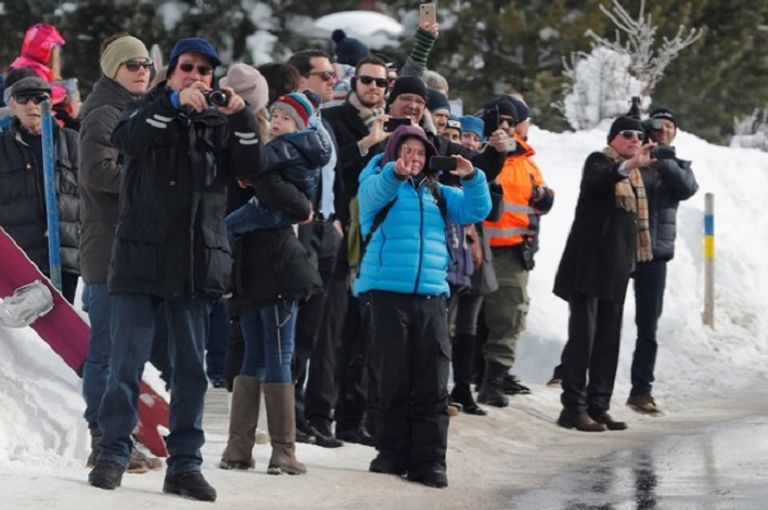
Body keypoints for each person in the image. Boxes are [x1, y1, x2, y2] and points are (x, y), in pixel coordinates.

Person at [87, 37, 259, 502]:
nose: (196, 77)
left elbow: (250, 166)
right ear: (172, 72)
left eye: (205, 71)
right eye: (188, 68)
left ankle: (185, 465)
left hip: (194, 263)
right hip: (139, 260)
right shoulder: (144, 109)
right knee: (125, 365)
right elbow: (130, 139)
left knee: (190, 372)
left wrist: (241, 115)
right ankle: (113, 455)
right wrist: (171, 103)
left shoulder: (220, 125)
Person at [356, 125, 491, 488]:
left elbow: (478, 209)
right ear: (394, 152)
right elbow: (369, 197)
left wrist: (473, 176)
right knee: (392, 377)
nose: (413, 159)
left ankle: (430, 462)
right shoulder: (377, 177)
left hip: (431, 294)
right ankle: (391, 453)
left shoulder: (438, 192)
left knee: (432, 380)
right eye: (406, 151)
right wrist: (393, 173)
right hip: (385, 293)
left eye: (419, 153)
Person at [219, 63, 323, 474]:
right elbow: (297, 207)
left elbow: (297, 204)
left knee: (259, 355)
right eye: (273, 116)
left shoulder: (280, 150)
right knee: (271, 354)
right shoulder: (260, 153)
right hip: (271, 267)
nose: (275, 122)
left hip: (254, 267)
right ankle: (280, 450)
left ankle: (242, 448)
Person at [78, 33, 161, 473]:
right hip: (107, 247)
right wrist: (147, 176)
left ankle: (119, 436)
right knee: (108, 350)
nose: (142, 70)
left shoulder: (133, 109)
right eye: (132, 64)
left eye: (146, 63)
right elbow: (96, 172)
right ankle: (102, 436)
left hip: (128, 246)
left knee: (126, 349)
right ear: (113, 69)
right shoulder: (104, 112)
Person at [553, 116, 656, 432]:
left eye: (639, 135)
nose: (634, 139)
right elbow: (599, 181)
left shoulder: (635, 177)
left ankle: (599, 406)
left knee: (608, 341)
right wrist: (627, 166)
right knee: (583, 339)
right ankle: (573, 407)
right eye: (627, 134)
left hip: (616, 269)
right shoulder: (600, 162)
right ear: (613, 138)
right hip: (587, 267)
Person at [317, 54, 390, 445]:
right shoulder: (333, 119)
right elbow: (330, 170)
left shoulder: (395, 126)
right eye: (367, 80)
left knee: (364, 334)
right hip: (340, 234)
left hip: (375, 241)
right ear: (354, 81)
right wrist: (366, 143)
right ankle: (320, 414)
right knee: (333, 331)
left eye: (381, 82)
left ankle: (352, 419)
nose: (374, 87)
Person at [477, 96, 554, 407]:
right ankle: (473, 378)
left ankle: (494, 379)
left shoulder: (525, 160)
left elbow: (537, 201)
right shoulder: (479, 152)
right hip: (477, 249)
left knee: (509, 316)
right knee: (469, 320)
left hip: (512, 253)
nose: (507, 128)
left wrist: (545, 197)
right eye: (503, 122)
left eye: (513, 122)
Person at [286, 49, 346, 448]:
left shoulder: (323, 122)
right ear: (301, 78)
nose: (332, 81)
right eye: (324, 75)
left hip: (325, 228)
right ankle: (289, 414)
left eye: (333, 75)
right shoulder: (289, 119)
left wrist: (335, 216)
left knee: (316, 327)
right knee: (297, 324)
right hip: (299, 228)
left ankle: (305, 413)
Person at [626, 107, 698, 415]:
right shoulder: (635, 159)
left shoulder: (676, 165)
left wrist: (664, 158)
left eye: (670, 125)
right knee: (602, 317)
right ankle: (577, 377)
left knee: (648, 326)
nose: (664, 129)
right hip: (623, 250)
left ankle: (641, 391)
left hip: (655, 255)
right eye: (659, 124)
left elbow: (686, 189)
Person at [0, 76, 80, 303]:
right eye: (23, 99)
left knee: (64, 327)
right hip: (23, 258)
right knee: (28, 334)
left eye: (39, 99)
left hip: (67, 255)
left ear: (51, 103)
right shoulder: (2, 147)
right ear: (12, 106)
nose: (32, 105)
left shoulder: (72, 141)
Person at [225, 91, 329, 245]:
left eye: (285, 118)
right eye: (274, 116)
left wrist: (244, 176)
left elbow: (258, 164)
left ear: (298, 125)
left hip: (271, 208)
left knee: (228, 226)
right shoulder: (306, 146)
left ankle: (225, 264)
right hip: (291, 210)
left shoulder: (283, 146)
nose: (277, 121)